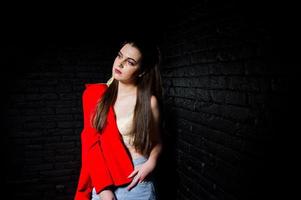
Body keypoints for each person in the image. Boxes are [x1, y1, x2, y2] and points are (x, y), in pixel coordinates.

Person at [75, 38, 164, 200]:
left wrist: (151, 163)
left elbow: (157, 141)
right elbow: (90, 143)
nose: (120, 64)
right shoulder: (97, 96)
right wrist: (103, 191)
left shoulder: (148, 102)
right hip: (103, 180)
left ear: (142, 71)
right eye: (119, 56)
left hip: (136, 180)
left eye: (130, 62)